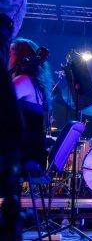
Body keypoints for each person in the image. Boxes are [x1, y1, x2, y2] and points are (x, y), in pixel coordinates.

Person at [0, 0, 31, 240]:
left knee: (11, 129)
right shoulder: (32, 83)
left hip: (3, 25)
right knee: (11, 129)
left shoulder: (22, 81)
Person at [10, 38, 53, 170]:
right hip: (34, 153)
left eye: (10, 52)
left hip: (24, 154)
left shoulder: (22, 80)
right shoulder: (34, 83)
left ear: (20, 57)